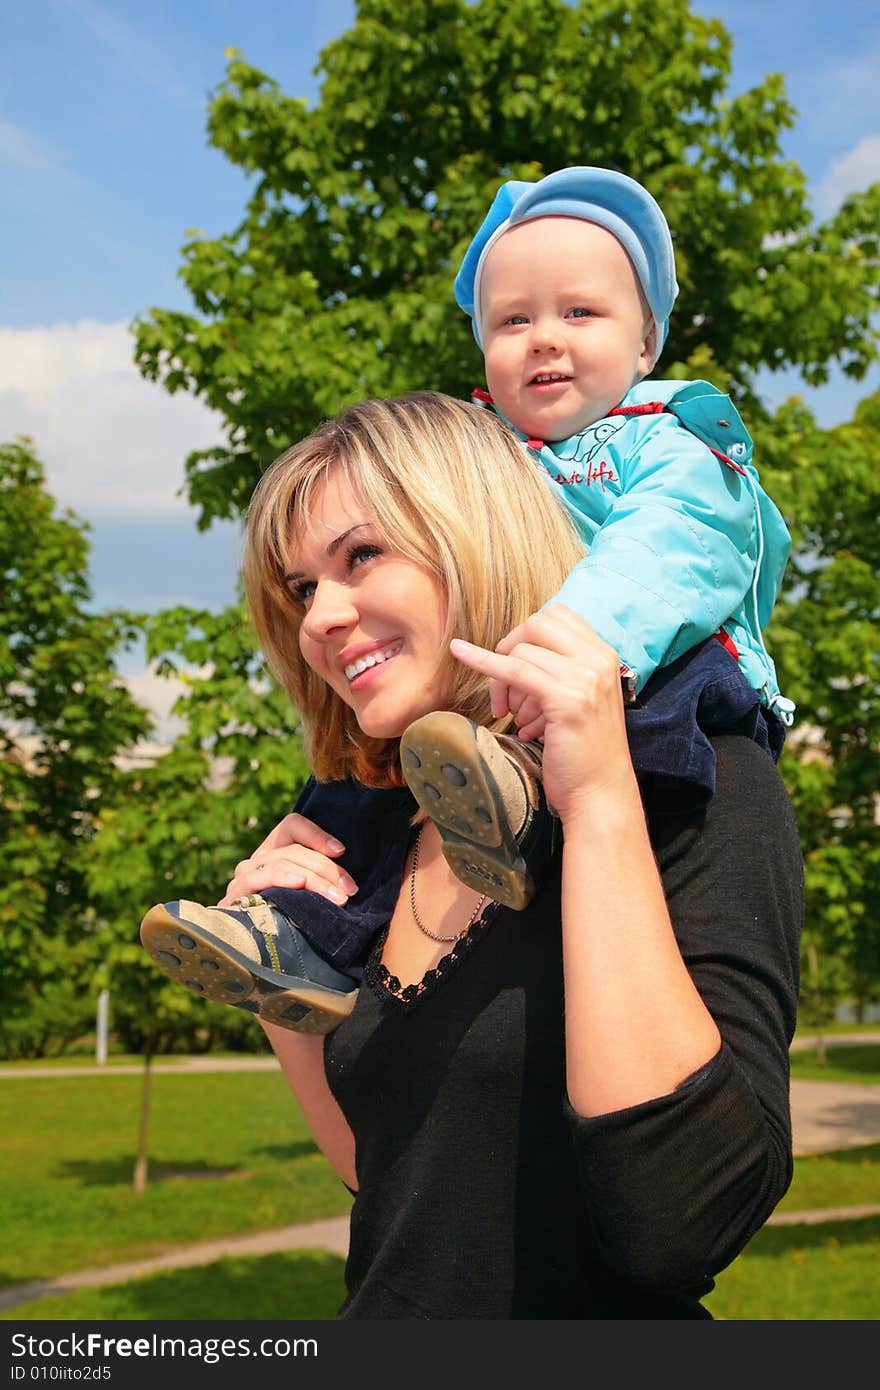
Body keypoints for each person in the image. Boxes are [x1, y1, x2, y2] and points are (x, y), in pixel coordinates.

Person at [146, 392, 804, 1319]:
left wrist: (601, 803)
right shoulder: (382, 841)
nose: (319, 619)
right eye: (301, 589)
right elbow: (393, 1191)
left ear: (477, 533)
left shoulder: (700, 783)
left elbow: (680, 1227)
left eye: (362, 555)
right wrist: (283, 1001)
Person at [141, 165, 795, 1033]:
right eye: (512, 321)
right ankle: (298, 936)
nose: (544, 340)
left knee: (630, 704)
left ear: (647, 344)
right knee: (355, 784)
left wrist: (569, 639)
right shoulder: (495, 457)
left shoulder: (668, 441)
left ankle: (523, 800)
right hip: (516, 690)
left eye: (580, 313)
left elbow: (673, 546)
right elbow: (387, 1172)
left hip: (658, 671)